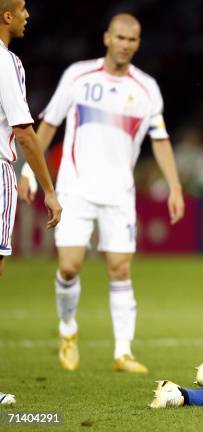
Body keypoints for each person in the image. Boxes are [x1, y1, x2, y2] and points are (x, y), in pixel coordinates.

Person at [18, 13, 184, 374]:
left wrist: (174, 186)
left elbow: (161, 140)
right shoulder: (78, 76)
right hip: (75, 187)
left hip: (119, 194)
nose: (125, 44)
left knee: (120, 270)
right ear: (107, 38)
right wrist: (30, 170)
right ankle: (68, 331)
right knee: (68, 266)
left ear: (138, 44)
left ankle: (123, 352)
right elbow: (48, 125)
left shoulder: (146, 89)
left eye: (132, 39)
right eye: (119, 37)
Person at [0, 0, 62, 405]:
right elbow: (24, 131)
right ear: (6, 16)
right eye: (22, 8)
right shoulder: (6, 62)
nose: (28, 15)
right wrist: (49, 190)